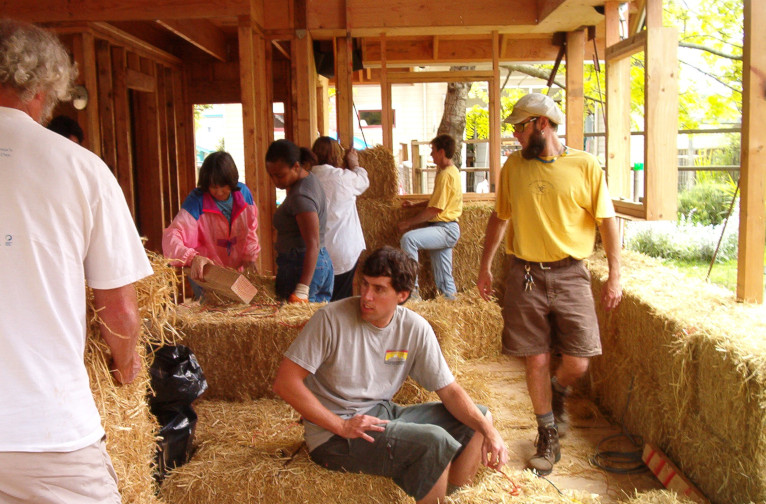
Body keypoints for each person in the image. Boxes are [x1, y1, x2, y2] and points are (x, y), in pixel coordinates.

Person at [0, 19, 153, 503]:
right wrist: (126, 369)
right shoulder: (79, 168)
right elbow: (120, 312)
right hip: (46, 431)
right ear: (44, 88)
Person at [273, 246, 508, 504]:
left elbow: (449, 390)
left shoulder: (415, 328)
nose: (366, 296)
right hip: (334, 437)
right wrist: (341, 425)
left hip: (381, 414)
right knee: (435, 442)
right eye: (364, 284)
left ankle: (450, 496)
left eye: (379, 289)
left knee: (480, 419)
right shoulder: (330, 320)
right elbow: (285, 382)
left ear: (402, 295)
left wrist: (489, 431)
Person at [476, 93, 622, 476]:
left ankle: (558, 390)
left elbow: (607, 222)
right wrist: (485, 266)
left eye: (519, 127)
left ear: (541, 124)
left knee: (578, 362)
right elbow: (499, 217)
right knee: (536, 357)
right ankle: (547, 431)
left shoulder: (585, 165)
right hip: (524, 274)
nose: (515, 135)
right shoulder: (513, 167)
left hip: (572, 272)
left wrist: (615, 276)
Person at [162, 151, 260, 300]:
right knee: (213, 310)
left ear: (232, 181)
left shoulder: (243, 194)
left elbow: (251, 229)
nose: (219, 192)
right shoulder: (196, 202)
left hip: (234, 272)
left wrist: (250, 257)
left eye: (224, 186)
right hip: (207, 273)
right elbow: (171, 237)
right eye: (214, 187)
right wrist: (192, 258)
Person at [266, 138, 333, 303]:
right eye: (271, 175)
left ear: (296, 166)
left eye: (280, 175)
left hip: (301, 267)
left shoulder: (301, 196)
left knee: (298, 326)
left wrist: (303, 288)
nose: (275, 181)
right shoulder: (308, 179)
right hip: (317, 263)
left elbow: (313, 243)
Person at [398, 134, 463, 300]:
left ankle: (413, 293)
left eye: (433, 151)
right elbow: (437, 200)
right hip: (447, 228)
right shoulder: (451, 171)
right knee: (444, 278)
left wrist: (408, 223)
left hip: (445, 229)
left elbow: (434, 208)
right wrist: (414, 205)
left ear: (442, 152)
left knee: (408, 239)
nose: (431, 155)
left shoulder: (445, 174)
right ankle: (452, 309)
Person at [311, 136, 370, 301]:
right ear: (337, 155)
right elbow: (363, 181)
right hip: (344, 249)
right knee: (342, 300)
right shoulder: (343, 177)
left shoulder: (309, 179)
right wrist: (354, 164)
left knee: (320, 302)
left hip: (318, 251)